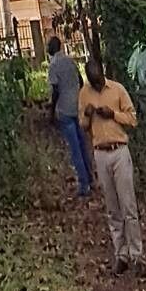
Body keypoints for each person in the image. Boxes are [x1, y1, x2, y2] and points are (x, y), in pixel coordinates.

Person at [78, 57, 144, 275]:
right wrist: (88, 116)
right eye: (92, 82)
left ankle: (137, 255)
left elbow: (132, 119)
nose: (96, 85)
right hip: (101, 153)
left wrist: (113, 114)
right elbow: (82, 125)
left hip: (119, 151)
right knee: (112, 208)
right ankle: (121, 255)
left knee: (128, 206)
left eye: (98, 81)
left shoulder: (117, 90)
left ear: (103, 73)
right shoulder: (84, 93)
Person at [46, 35, 92, 198]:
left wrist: (52, 112)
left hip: (64, 110)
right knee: (82, 144)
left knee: (74, 149)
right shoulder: (70, 61)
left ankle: (84, 185)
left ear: (52, 48)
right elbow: (80, 81)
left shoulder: (53, 65)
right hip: (76, 107)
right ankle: (90, 178)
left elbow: (55, 91)